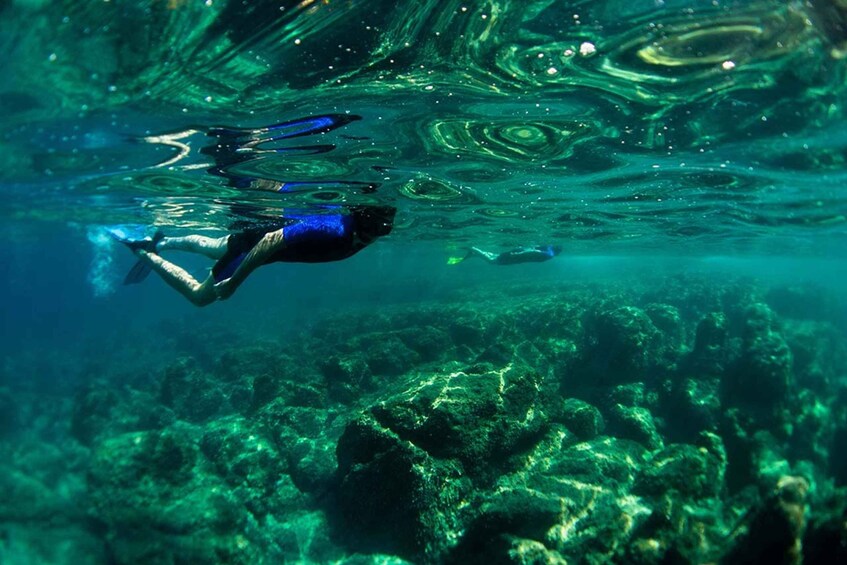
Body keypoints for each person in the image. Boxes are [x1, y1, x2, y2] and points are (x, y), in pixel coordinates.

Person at [110, 205, 396, 306]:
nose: (377, 233)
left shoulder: (366, 230)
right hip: (255, 245)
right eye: (373, 226)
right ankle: (144, 251)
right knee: (200, 297)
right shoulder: (332, 228)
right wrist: (234, 282)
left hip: (255, 237)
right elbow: (272, 240)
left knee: (211, 247)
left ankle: (160, 242)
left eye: (385, 228)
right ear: (360, 217)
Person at [450, 244, 562, 265]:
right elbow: (534, 252)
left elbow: (533, 250)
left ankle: (472, 253)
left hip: (515, 255)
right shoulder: (549, 254)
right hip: (514, 257)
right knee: (492, 261)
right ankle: (471, 248)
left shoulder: (549, 250)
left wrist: (520, 251)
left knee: (494, 257)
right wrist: (521, 253)